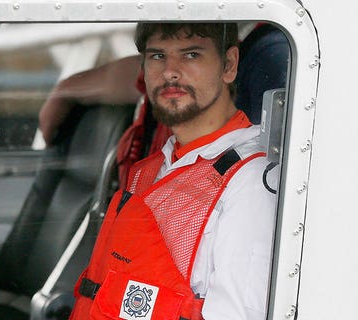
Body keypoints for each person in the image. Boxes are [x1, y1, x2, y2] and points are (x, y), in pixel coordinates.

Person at [68, 23, 277, 320]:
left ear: (228, 66)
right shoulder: (154, 167)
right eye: (157, 56)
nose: (170, 72)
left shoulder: (250, 181)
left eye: (191, 55)